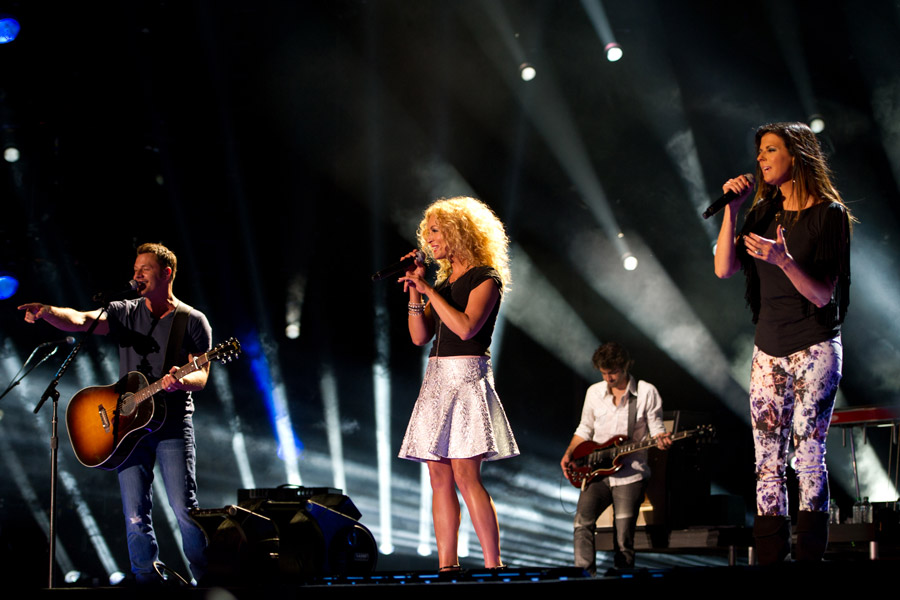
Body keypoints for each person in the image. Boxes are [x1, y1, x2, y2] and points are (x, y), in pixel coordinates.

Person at [19, 243, 212, 584]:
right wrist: (48, 311)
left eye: (145, 269)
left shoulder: (192, 320)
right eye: (135, 268)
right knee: (135, 514)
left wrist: (178, 382)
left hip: (172, 427)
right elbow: (81, 319)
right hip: (125, 427)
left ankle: (206, 581)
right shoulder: (124, 310)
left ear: (166, 273)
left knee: (186, 510)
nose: (137, 274)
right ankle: (145, 580)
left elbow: (201, 375)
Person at [714, 122, 852, 563]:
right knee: (767, 462)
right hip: (768, 348)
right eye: (759, 152)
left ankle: (810, 554)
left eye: (770, 150)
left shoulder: (828, 214)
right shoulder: (761, 211)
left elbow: (822, 293)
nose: (760, 159)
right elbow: (723, 269)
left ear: (796, 155)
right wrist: (733, 211)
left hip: (814, 346)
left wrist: (784, 261)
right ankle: (771, 556)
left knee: (808, 454)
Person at [396, 196, 518, 571]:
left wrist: (430, 291)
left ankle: (493, 566)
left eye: (435, 230)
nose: (428, 239)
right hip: (436, 380)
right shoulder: (443, 281)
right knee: (438, 474)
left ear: (459, 231)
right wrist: (417, 290)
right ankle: (447, 567)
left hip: (467, 378)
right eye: (427, 231)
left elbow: (466, 328)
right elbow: (419, 337)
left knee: (466, 474)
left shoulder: (485, 277)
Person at [560, 342, 672, 574]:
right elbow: (584, 428)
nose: (608, 378)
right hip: (596, 472)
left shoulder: (646, 392)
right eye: (604, 373)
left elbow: (656, 426)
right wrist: (570, 452)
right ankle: (583, 574)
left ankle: (622, 577)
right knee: (582, 522)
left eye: (613, 372)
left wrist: (661, 439)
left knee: (623, 537)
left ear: (626, 366)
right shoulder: (594, 392)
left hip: (630, 474)